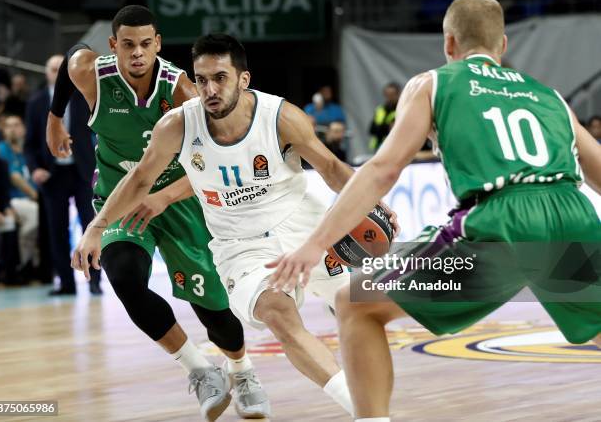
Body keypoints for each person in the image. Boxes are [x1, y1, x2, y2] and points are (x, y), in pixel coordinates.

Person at [268, 0, 601, 422]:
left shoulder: (434, 82)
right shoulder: (549, 96)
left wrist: (316, 243)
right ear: (503, 47)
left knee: (355, 303)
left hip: (499, 224)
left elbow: (383, 169)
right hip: (570, 215)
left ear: (448, 44)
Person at [71, 33, 397, 418]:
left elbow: (329, 167)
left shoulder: (282, 116)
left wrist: (370, 199)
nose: (209, 89)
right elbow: (140, 179)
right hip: (240, 245)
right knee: (280, 316)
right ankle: (364, 412)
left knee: (356, 307)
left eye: (220, 78)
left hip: (304, 224)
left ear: (243, 80)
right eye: (202, 79)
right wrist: (97, 226)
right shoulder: (177, 125)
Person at [48, 6, 268, 421]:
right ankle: (201, 370)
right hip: (120, 200)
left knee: (213, 309)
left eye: (146, 44)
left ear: (158, 45)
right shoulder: (91, 74)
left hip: (179, 199)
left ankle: (242, 371)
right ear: (113, 46)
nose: (137, 53)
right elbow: (72, 57)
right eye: (127, 44)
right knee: (126, 278)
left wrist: (165, 197)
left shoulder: (182, 92)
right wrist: (55, 118)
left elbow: (217, 164)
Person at [25, 55, 101, 296]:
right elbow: (30, 144)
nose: (57, 73)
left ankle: (95, 281)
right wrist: (35, 168)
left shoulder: (83, 96)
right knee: (57, 230)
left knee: (91, 225)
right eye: (53, 69)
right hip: (52, 173)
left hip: (82, 172)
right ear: (46, 73)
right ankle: (66, 284)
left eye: (61, 69)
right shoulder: (36, 102)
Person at [0, 114, 38, 273]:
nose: (13, 129)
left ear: (24, 128)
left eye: (16, 125)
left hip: (32, 199)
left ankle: (29, 262)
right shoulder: (2, 148)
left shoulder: (28, 149)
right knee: (36, 215)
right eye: (8, 126)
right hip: (14, 199)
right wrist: (36, 196)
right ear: (4, 131)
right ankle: (24, 263)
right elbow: (14, 177)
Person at [0, 133, 19, 284]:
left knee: (10, 223)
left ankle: (8, 272)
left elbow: (4, 191)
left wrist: (7, 208)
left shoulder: (1, 165)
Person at [368, 82, 400, 152]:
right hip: (377, 146)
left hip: (393, 146)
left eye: (392, 95)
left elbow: (396, 130)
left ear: (398, 94)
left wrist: (380, 127)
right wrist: (386, 127)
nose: (389, 97)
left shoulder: (401, 109)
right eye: (387, 95)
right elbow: (371, 129)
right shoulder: (380, 109)